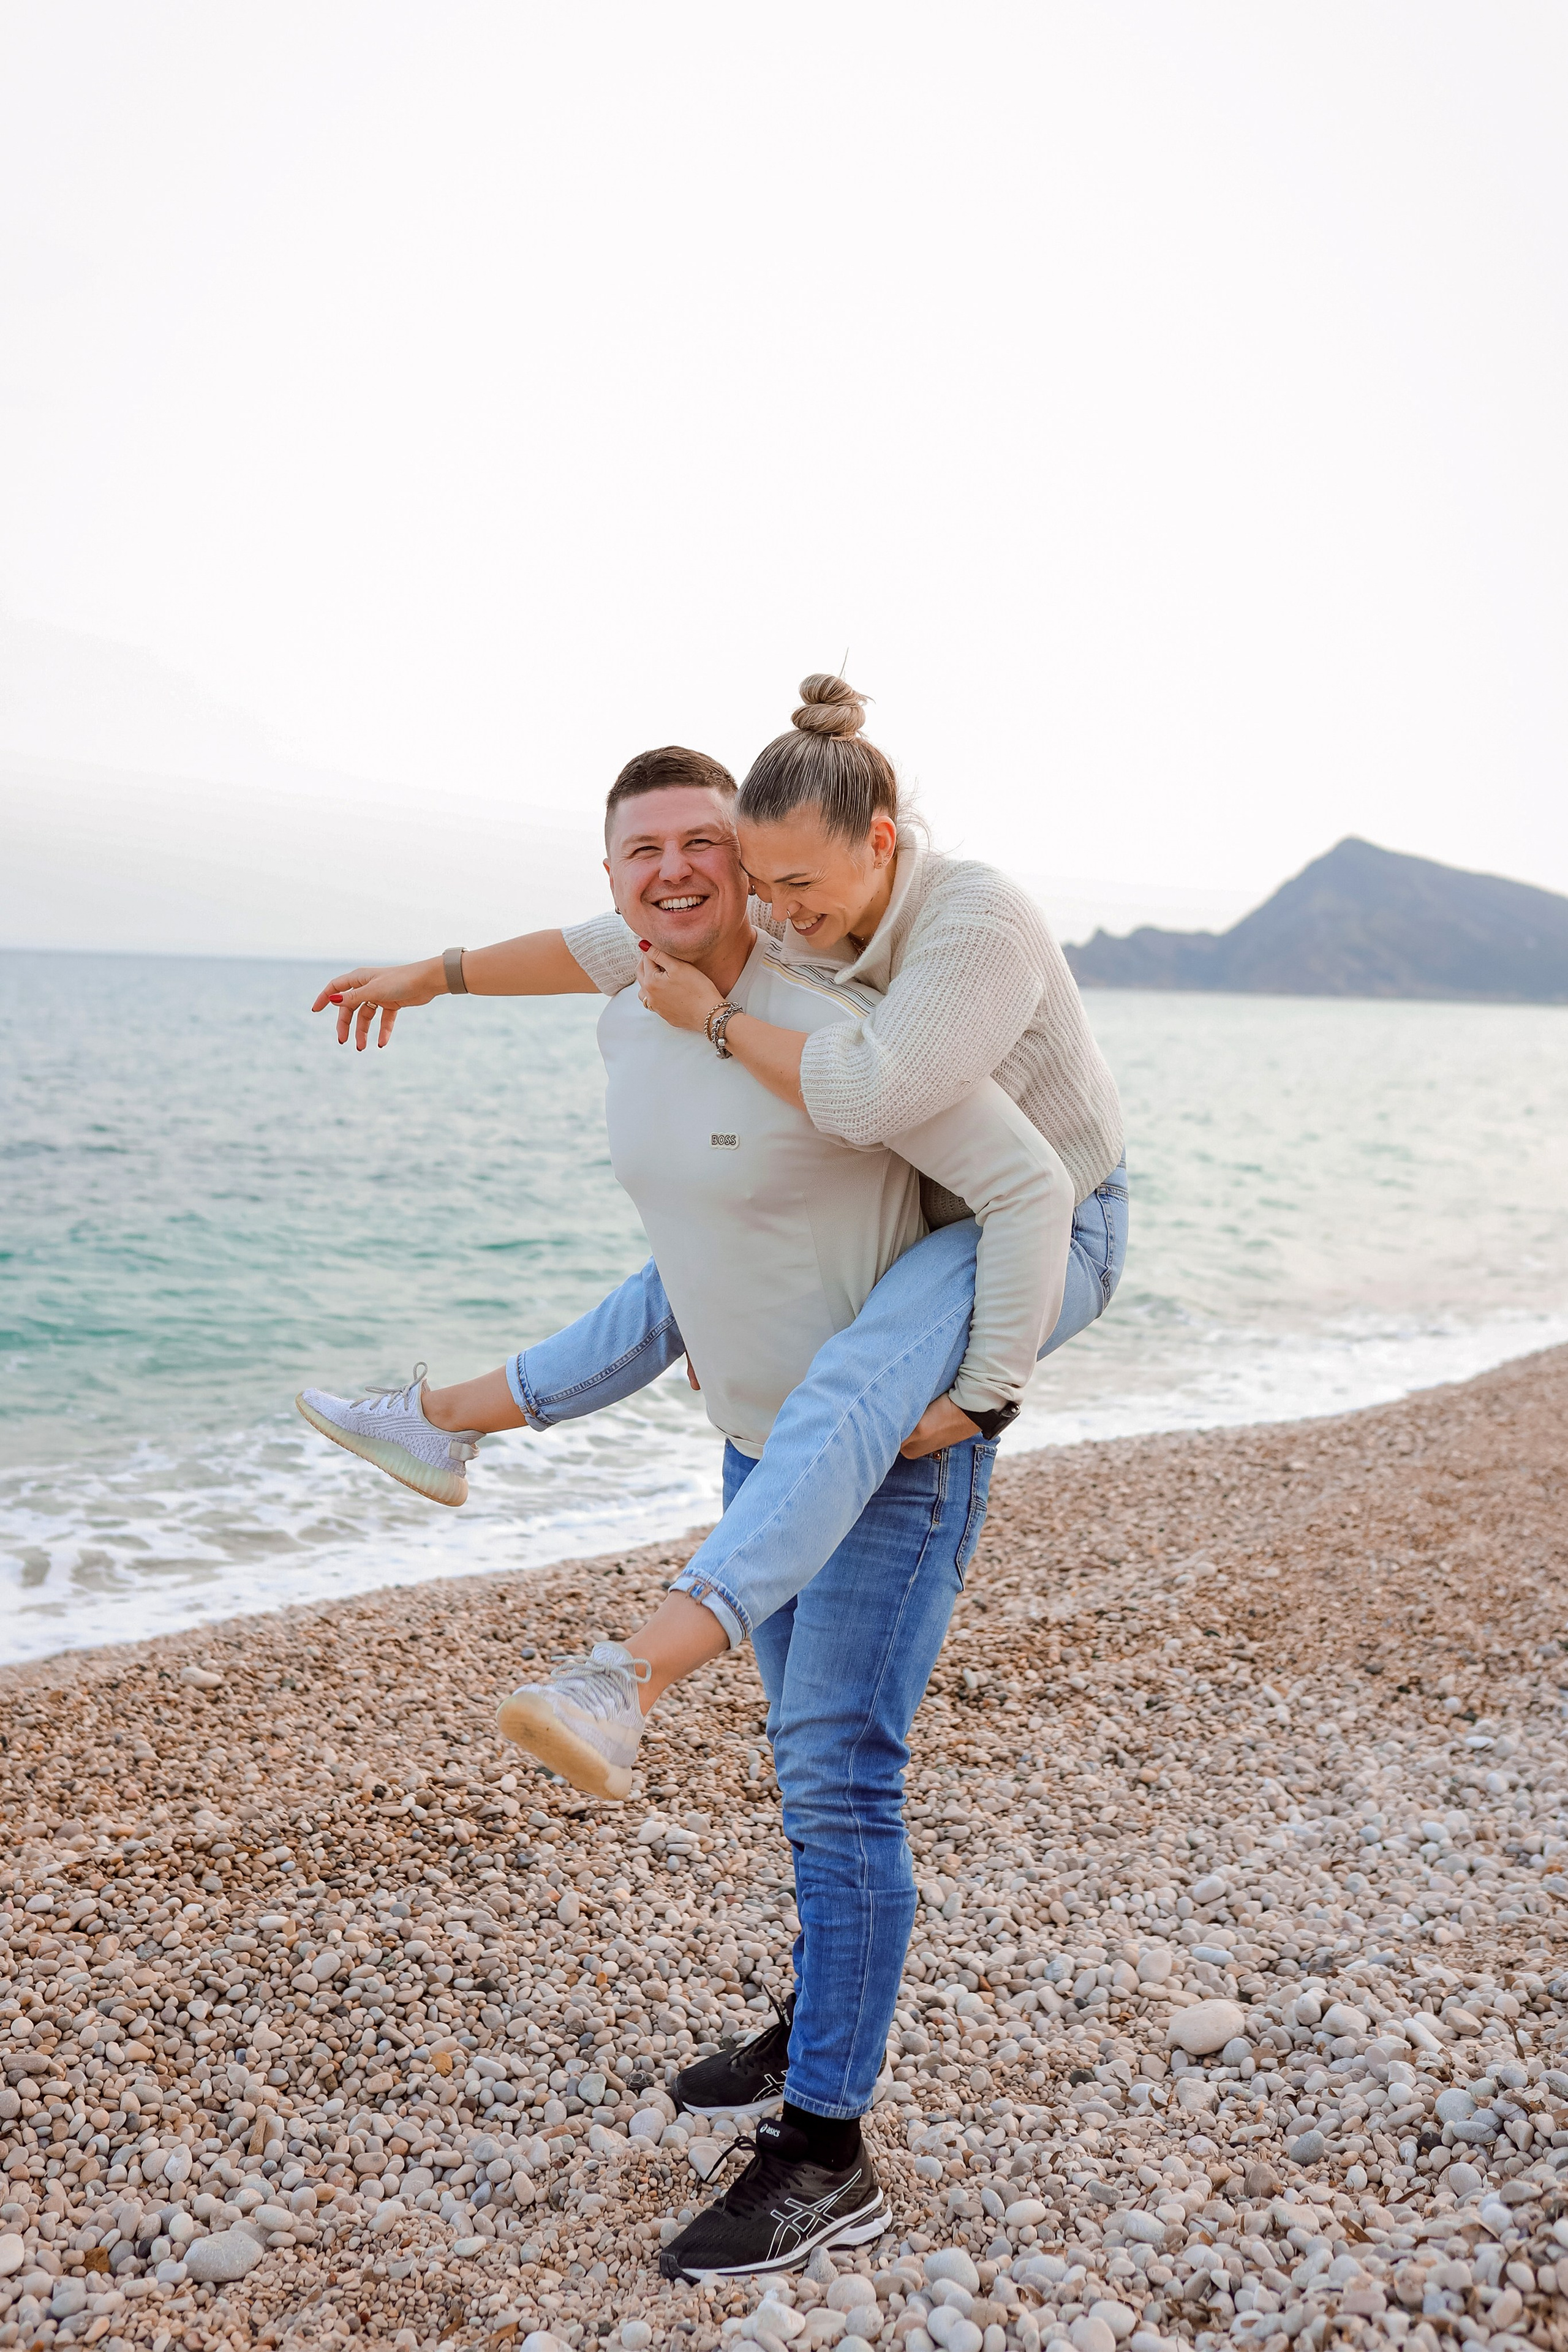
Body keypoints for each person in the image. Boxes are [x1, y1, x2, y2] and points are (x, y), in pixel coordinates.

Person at [312, 752, 1066, 2278]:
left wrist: (981, 1388)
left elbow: (1020, 1190)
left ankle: (827, 2148)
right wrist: (437, 975)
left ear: (757, 866)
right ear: (609, 883)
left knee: (840, 1780)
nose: (669, 870)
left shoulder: (844, 1030)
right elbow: (685, 1246)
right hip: (751, 1443)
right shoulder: (632, 994)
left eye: (701, 845)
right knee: (803, 1784)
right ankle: (816, 2018)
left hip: (882, 1460)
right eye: (635, 851)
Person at [301, 680, 1127, 1730]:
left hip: (1052, 1216)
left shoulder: (973, 922)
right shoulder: (785, 910)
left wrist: (986, 1395)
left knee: (851, 1384)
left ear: (878, 844)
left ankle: (632, 1673)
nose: (778, 914)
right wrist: (432, 975)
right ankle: (439, 1424)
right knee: (685, 1273)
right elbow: (590, 946)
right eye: (762, 885)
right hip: (921, 1197)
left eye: (789, 886)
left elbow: (911, 1116)